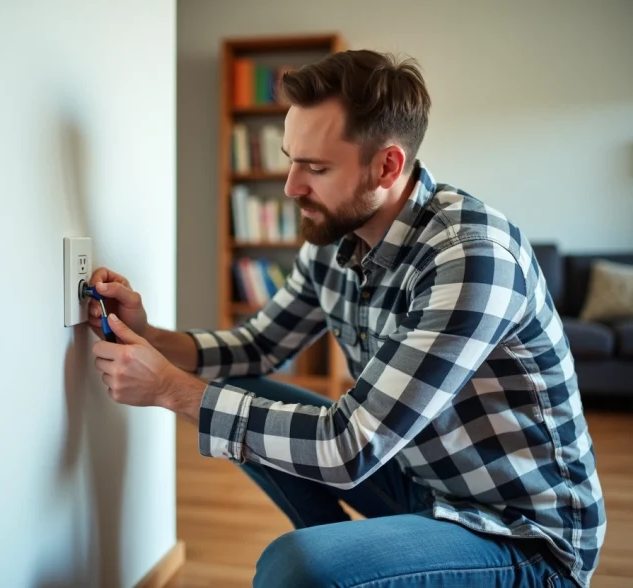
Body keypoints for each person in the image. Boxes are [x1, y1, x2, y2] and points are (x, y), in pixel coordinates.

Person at [88, 49, 605, 587]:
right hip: (418, 482)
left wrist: (171, 389)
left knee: (296, 565)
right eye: (291, 159)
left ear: (387, 166)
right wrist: (147, 335)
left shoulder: (471, 257)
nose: (291, 186)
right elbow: (256, 348)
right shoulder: (335, 236)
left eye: (316, 168)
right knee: (237, 386)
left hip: (523, 535)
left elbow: (349, 447)